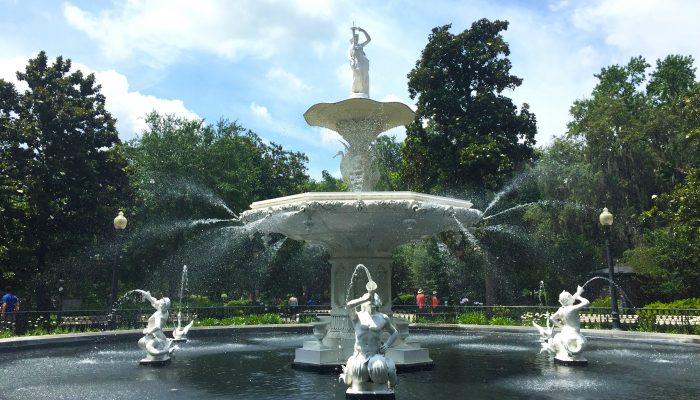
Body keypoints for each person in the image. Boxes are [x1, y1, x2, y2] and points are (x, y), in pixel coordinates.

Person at [340, 280, 398, 392]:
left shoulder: (383, 318)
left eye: (374, 298)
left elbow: (395, 333)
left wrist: (387, 345)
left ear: (378, 302)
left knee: (378, 370)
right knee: (358, 375)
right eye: (369, 299)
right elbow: (349, 305)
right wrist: (365, 298)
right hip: (360, 356)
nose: (371, 300)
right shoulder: (357, 317)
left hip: (376, 356)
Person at [137, 290, 178, 362]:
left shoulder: (159, 316)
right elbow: (155, 302)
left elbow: (157, 327)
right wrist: (148, 297)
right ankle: (166, 349)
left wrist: (148, 331)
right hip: (157, 336)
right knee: (142, 343)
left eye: (160, 303)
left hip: (156, 337)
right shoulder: (164, 311)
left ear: (163, 305)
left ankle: (169, 350)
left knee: (151, 350)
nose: (158, 302)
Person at [348, 26, 371, 97]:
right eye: (355, 37)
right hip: (356, 62)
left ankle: (363, 91)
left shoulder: (360, 45)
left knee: (365, 76)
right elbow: (349, 56)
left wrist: (362, 30)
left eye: (357, 38)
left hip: (364, 62)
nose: (357, 39)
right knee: (357, 75)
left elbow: (369, 39)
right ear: (353, 39)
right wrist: (352, 62)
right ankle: (356, 91)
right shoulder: (351, 47)